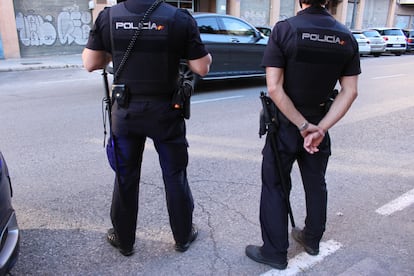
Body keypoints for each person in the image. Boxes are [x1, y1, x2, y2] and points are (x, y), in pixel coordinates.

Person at [82, 0, 212, 256]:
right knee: (175, 176)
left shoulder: (109, 17)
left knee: (125, 177)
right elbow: (201, 67)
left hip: (126, 113)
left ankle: (125, 240)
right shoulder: (179, 18)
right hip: (166, 112)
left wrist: (115, 53)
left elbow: (90, 62)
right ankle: (183, 237)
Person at [245, 0, 360, 270]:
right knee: (315, 182)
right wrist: (320, 128)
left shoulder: (285, 29)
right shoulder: (346, 36)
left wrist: (301, 125)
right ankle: (312, 239)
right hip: (319, 122)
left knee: (275, 185)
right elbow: (350, 91)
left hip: (285, 124)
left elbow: (274, 88)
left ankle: (274, 252)